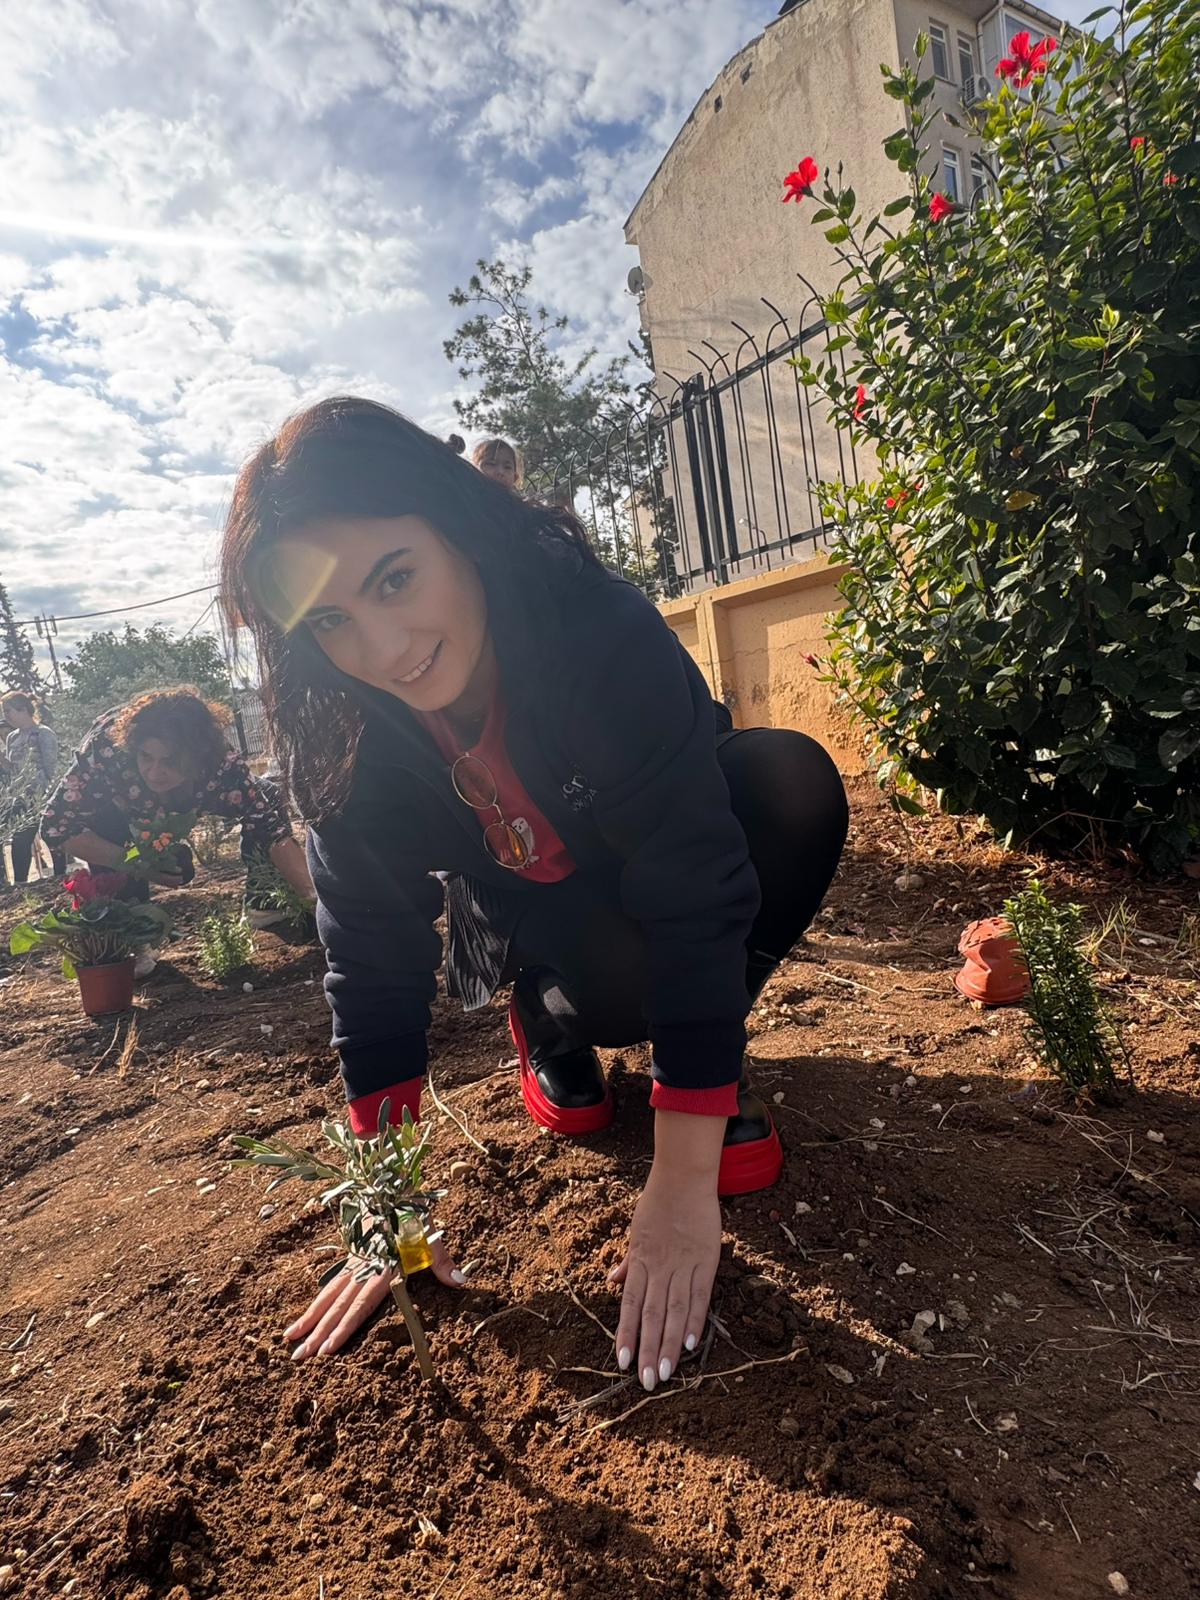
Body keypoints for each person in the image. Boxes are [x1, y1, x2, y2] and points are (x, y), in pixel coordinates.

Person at [220, 397, 848, 1395]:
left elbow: (694, 877)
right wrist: (387, 1207)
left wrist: (683, 1180)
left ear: (456, 526)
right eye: (332, 622)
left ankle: (704, 1073)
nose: (385, 649)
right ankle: (546, 1017)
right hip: (521, 916)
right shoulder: (341, 731)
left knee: (786, 782)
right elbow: (371, 955)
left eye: (395, 578)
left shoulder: (594, 627)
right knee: (614, 971)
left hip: (643, 865)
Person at [40, 688, 314, 913]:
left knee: (267, 795)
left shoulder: (221, 764)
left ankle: (265, 904)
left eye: (170, 761)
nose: (155, 773)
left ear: (199, 756)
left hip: (184, 799)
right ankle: (124, 932)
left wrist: (316, 900)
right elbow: (55, 828)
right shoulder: (106, 754)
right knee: (120, 873)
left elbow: (269, 829)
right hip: (118, 816)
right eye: (146, 757)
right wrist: (142, 864)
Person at [2, 692, 65, 884]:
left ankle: (60, 878)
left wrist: (53, 795)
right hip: (21, 796)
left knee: (51, 836)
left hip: (43, 795)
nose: (6, 716)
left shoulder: (43, 733)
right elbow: (14, 771)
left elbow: (51, 767)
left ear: (23, 709)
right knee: (20, 840)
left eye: (8, 711)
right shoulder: (12, 738)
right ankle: (20, 884)